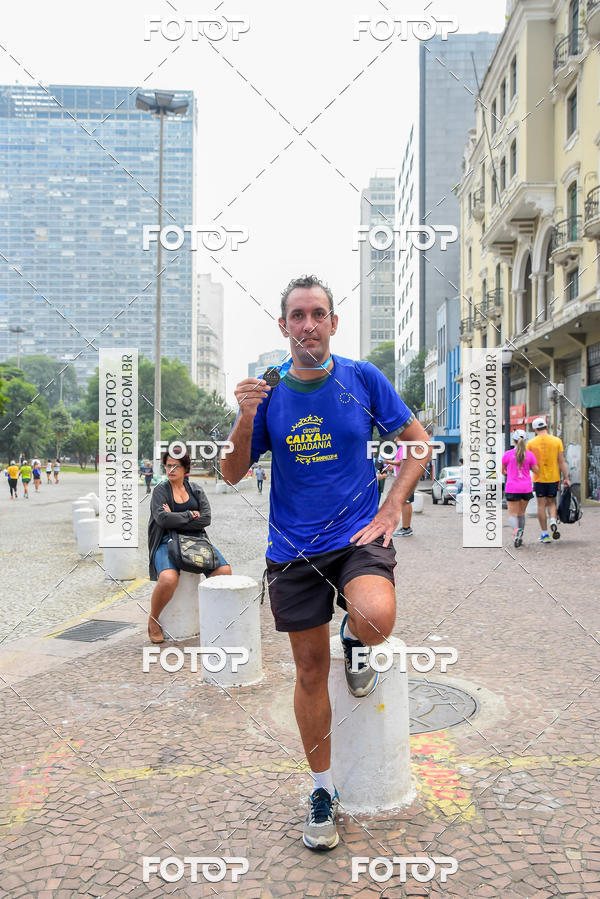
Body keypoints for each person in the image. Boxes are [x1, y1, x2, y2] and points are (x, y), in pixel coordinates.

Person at [221, 274, 431, 851]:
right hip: (292, 551)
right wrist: (243, 417)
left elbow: (417, 442)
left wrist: (392, 507)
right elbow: (232, 473)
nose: (308, 324)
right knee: (310, 672)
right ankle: (321, 789)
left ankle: (356, 639)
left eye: (318, 314)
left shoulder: (362, 378)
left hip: (358, 536)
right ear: (283, 325)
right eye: (296, 315)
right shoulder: (266, 391)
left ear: (334, 323)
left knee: (375, 618)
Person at [147, 450, 232, 643]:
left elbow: (206, 519)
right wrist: (190, 515)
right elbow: (162, 519)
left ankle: (204, 611)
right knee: (168, 579)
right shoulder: (160, 490)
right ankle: (153, 619)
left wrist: (177, 517)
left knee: (224, 571)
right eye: (168, 465)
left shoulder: (196, 490)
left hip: (196, 540)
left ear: (185, 468)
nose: (171, 469)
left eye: (176, 465)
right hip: (167, 540)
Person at [527, 417, 570, 543]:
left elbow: (529, 463)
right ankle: (552, 520)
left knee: (541, 504)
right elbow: (561, 461)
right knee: (552, 503)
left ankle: (545, 534)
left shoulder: (531, 443)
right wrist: (566, 478)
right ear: (546, 426)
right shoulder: (557, 441)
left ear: (535, 429)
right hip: (553, 477)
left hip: (539, 478)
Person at [501, 430, 539, 547]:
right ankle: (520, 538)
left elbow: (502, 471)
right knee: (521, 513)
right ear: (525, 440)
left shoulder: (507, 454)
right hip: (526, 487)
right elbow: (536, 470)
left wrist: (510, 473)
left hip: (512, 487)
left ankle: (516, 531)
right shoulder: (530, 455)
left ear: (514, 441)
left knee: (512, 514)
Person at [385, 434, 414, 536]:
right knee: (405, 502)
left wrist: (388, 461)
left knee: (406, 502)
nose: (395, 439)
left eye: (396, 436)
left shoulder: (405, 447)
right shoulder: (403, 447)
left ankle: (406, 528)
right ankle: (406, 527)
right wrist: (391, 465)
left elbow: (402, 462)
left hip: (406, 478)